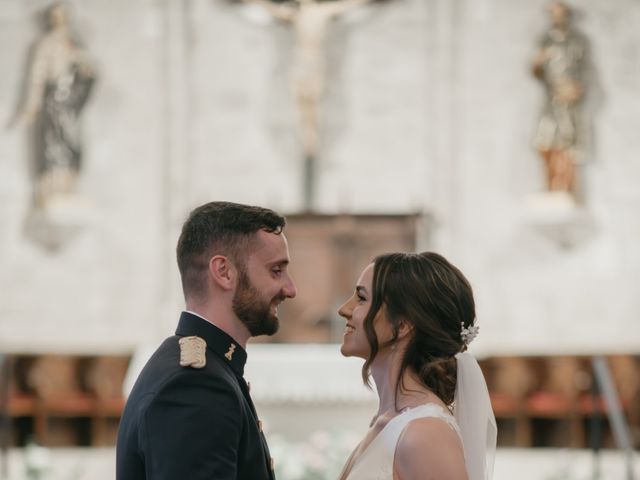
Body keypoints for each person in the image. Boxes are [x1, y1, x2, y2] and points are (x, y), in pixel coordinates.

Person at [116, 201, 297, 479]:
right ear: (224, 272)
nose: (290, 289)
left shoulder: (205, 368)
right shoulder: (196, 385)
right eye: (276, 271)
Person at [337, 252, 496, 480]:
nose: (344, 309)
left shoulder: (424, 433)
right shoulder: (388, 421)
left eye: (361, 298)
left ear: (402, 325)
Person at [14, 2, 96, 208]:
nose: (59, 21)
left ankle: (68, 185)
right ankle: (51, 187)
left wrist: (85, 70)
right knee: (52, 145)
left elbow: (87, 70)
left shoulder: (73, 43)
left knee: (70, 143)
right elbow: (37, 77)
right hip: (52, 105)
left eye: (63, 16)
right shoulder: (46, 44)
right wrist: (30, 106)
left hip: (69, 105)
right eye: (56, 16)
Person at [531, 1, 589, 198]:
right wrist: (538, 63)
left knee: (566, 144)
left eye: (561, 14)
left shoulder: (576, 41)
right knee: (545, 142)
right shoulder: (545, 40)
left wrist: (574, 89)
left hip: (568, 102)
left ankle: (564, 188)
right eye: (554, 14)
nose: (557, 18)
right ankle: (550, 186)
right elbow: (536, 71)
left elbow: (585, 71)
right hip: (551, 100)